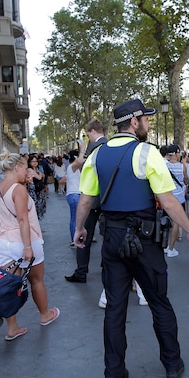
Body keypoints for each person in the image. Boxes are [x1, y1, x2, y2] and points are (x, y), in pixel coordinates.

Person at [73, 98, 189, 378]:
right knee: (159, 302)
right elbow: (168, 200)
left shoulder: (97, 155)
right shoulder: (147, 152)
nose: (148, 123)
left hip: (112, 240)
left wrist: (80, 229)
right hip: (144, 241)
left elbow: (86, 199)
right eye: (146, 119)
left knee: (115, 308)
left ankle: (112, 375)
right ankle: (172, 365)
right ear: (134, 122)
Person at [0, 151, 59, 341]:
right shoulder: (19, 190)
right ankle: (44, 314)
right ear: (16, 168)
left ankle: (12, 327)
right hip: (23, 241)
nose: (27, 171)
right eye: (24, 168)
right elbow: (22, 219)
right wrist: (27, 247)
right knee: (37, 280)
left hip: (4, 243)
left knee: (9, 286)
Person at [65, 118, 107, 284]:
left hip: (92, 198)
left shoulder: (93, 148)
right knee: (107, 236)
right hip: (107, 199)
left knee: (83, 235)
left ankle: (81, 272)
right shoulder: (109, 146)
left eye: (88, 134)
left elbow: (85, 169)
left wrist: (82, 150)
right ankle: (107, 267)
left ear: (92, 131)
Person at [164, 144, 186, 257]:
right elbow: (186, 180)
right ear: (177, 154)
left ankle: (163, 244)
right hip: (179, 198)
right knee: (176, 223)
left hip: (166, 197)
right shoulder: (182, 167)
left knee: (164, 222)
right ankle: (171, 248)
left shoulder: (163, 165)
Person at [65, 150, 83, 246]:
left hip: (74, 194)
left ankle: (75, 238)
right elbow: (80, 161)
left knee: (75, 218)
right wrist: (82, 149)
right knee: (75, 218)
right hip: (74, 194)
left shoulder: (74, 168)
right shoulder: (72, 167)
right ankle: (74, 239)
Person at [27, 154, 47, 220]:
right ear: (29, 162)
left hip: (40, 191)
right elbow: (39, 177)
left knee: (39, 209)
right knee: (35, 208)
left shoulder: (37, 169)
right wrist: (41, 174)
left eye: (36, 161)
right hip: (34, 191)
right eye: (33, 161)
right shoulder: (29, 169)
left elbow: (42, 177)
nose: (35, 163)